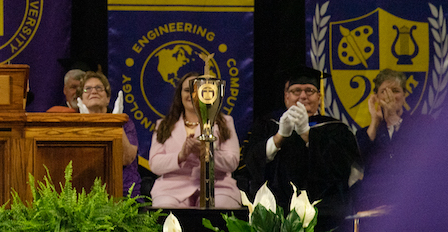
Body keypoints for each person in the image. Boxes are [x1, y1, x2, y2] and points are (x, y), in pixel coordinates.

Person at [239, 66, 361, 231]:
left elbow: (343, 168)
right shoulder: (267, 125)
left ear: (319, 96)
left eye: (309, 90)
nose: (303, 96)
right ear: (286, 96)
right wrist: (279, 137)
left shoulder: (337, 129)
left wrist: (306, 134)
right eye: (296, 90)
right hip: (276, 212)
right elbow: (249, 162)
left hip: (324, 213)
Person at [148, 72, 241, 208]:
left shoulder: (224, 122)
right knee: (165, 209)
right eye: (187, 90)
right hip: (171, 189)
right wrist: (181, 156)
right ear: (180, 95)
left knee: (220, 208)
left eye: (198, 89)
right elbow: (155, 164)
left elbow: (232, 162)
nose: (192, 94)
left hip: (217, 186)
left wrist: (206, 153)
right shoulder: (163, 125)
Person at [354, 68, 423, 211]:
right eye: (384, 91)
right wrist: (374, 122)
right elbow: (357, 162)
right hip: (374, 204)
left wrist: (393, 118)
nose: (390, 95)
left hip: (411, 201)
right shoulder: (365, 132)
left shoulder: (422, 124)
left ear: (404, 95)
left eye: (395, 90)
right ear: (376, 98)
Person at [77, 72, 140, 198]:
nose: (93, 91)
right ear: (81, 99)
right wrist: (86, 125)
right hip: (86, 195)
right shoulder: (74, 125)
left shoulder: (126, 124)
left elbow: (127, 158)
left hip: (124, 194)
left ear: (108, 98)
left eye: (99, 88)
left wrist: (116, 125)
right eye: (87, 89)